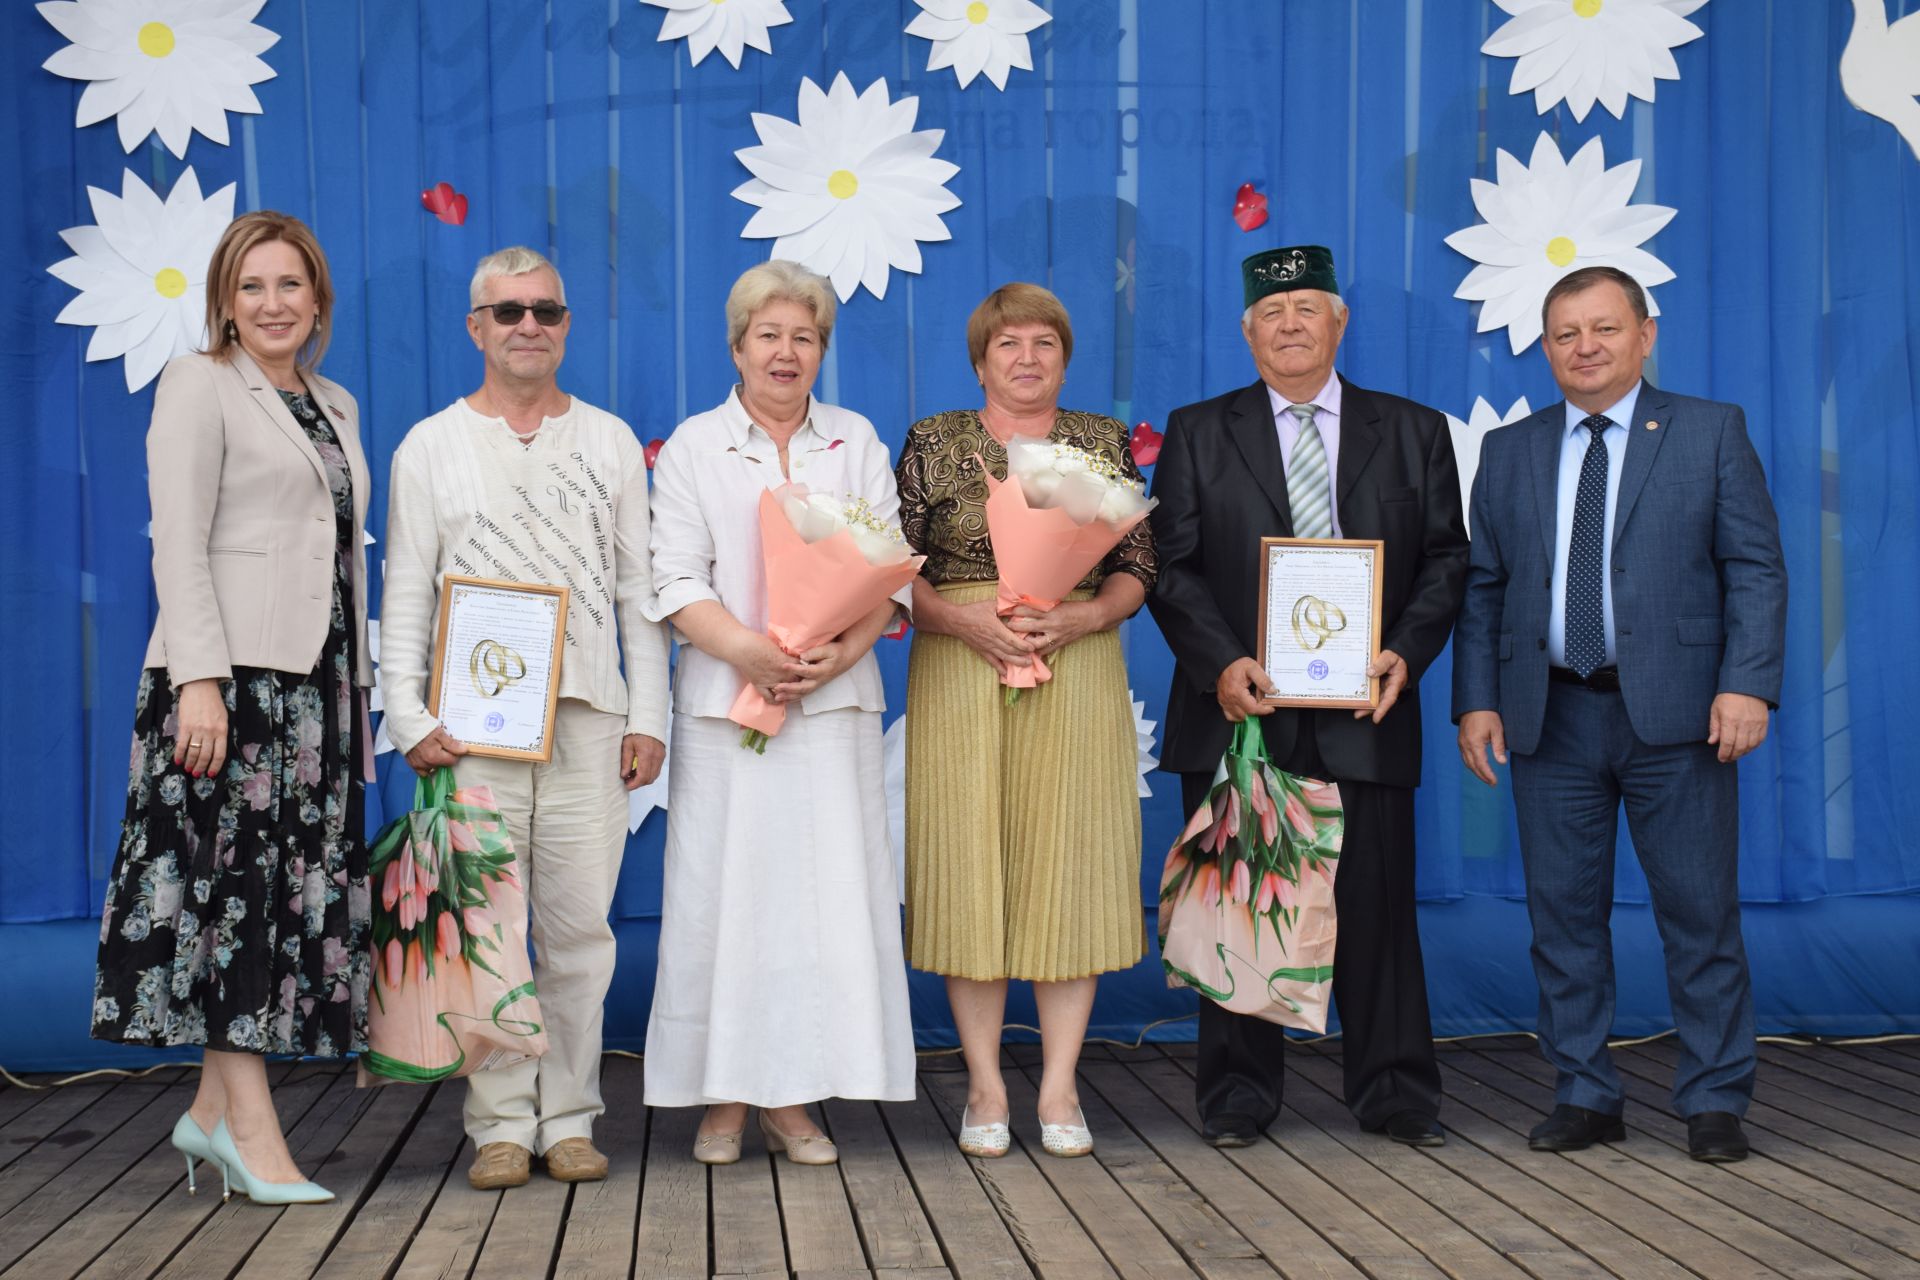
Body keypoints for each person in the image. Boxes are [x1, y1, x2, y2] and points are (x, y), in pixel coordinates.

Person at [1453, 266, 1786, 1164]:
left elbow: (1755, 567)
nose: (1585, 348)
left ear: (1645, 334)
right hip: (1549, 717)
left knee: (1699, 914)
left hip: (1680, 719)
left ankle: (1715, 1098)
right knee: (1561, 920)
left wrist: (1748, 681)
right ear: (1546, 347)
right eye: (1566, 334)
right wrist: (1476, 699)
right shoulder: (1512, 449)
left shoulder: (1711, 431)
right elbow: (1484, 588)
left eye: (1604, 328)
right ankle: (1585, 1092)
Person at [1148, 245, 1467, 1150]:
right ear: (1248, 332)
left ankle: (1397, 1093)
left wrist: (1406, 651)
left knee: (1376, 910)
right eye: (1271, 312)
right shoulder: (1200, 430)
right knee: (1240, 906)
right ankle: (1238, 1097)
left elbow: (1447, 559)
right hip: (1240, 709)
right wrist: (1220, 663)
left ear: (1340, 321)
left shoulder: (1412, 430)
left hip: (1366, 706)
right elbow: (1168, 567)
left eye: (1306, 308)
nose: (1289, 324)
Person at [91, 211, 373, 1205]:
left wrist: (357, 697)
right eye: (252, 286)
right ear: (224, 297)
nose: (271, 303)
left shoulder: (331, 399)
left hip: (315, 691)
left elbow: (333, 562)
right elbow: (179, 537)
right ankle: (253, 1133)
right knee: (235, 906)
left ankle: (208, 1116)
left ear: (317, 298)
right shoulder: (197, 383)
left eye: (289, 284)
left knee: (275, 903)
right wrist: (197, 680)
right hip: (231, 689)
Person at [380, 246, 670, 1190]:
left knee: (582, 931)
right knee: (486, 928)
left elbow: (639, 595)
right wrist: (408, 714)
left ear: (567, 323)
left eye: (546, 308)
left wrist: (648, 714)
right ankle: (501, 1123)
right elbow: (406, 596)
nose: (528, 325)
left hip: (589, 719)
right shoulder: (428, 446)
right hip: (471, 729)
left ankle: (572, 1116)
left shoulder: (612, 441)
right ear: (477, 327)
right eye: (508, 312)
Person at [643, 259, 915, 1166]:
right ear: (737, 345)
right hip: (728, 709)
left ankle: (793, 1100)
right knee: (723, 901)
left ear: (823, 350)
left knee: (817, 903)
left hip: (832, 710)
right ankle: (722, 1098)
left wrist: (844, 648)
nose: (786, 352)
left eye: (805, 337)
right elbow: (675, 577)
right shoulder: (693, 445)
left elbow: (891, 569)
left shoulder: (856, 441)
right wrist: (747, 652)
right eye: (770, 335)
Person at [896, 282, 1157, 1159]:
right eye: (1008, 343)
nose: (1027, 357)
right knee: (968, 862)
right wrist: (955, 618)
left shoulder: (1101, 441)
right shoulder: (934, 441)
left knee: (1068, 860)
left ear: (1065, 358)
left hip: (1076, 660)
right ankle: (980, 1086)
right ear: (980, 360)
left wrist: (1083, 618)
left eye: (1045, 342)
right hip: (959, 664)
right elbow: (894, 570)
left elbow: (1136, 566)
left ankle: (1058, 1089)